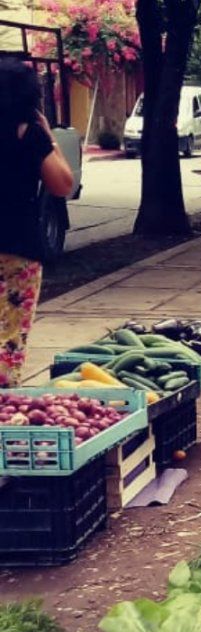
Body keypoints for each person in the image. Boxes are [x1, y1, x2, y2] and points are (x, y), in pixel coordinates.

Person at [0, 58, 74, 388]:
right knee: (8, 342)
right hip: (18, 251)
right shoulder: (28, 133)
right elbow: (62, 185)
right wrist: (51, 139)